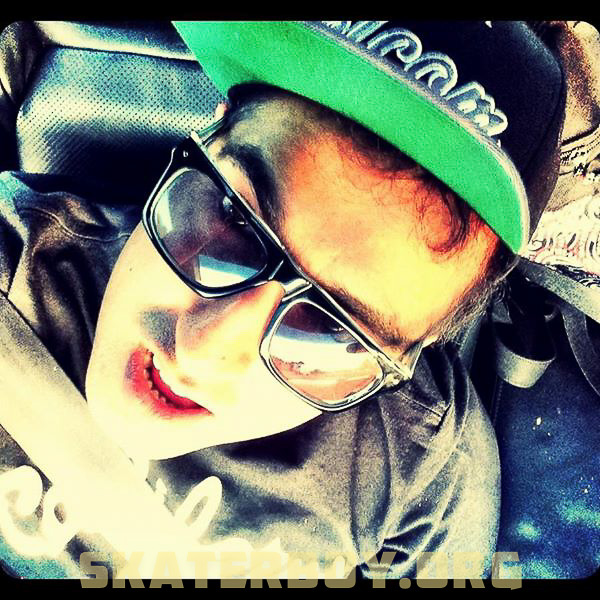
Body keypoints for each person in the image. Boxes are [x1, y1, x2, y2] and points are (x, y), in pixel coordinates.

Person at [0, 21, 565, 582]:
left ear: (410, 357)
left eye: (332, 334)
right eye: (230, 222)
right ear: (208, 134)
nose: (203, 351)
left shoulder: (423, 480)